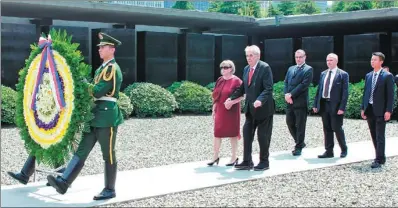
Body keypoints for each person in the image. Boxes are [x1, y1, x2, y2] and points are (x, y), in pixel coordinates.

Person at [47, 32, 124, 200]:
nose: (100, 50)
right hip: (95, 115)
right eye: (100, 47)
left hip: (106, 116)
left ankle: (110, 189)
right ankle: (64, 182)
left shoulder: (111, 69)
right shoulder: (102, 68)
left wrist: (82, 82)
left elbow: (97, 92)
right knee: (82, 149)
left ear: (112, 49)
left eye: (103, 47)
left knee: (108, 154)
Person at [226, 45, 275, 171]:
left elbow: (268, 88)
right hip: (250, 109)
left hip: (264, 109)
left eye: (251, 55)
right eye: (247, 55)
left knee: (263, 136)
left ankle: (264, 162)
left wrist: (260, 100)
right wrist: (231, 98)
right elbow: (243, 88)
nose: (248, 58)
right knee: (247, 135)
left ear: (258, 56)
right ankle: (247, 161)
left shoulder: (265, 67)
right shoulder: (246, 69)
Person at [360, 52, 395, 168]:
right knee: (373, 134)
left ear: (381, 62)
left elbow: (390, 95)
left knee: (380, 135)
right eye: (371, 59)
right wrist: (363, 108)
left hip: (381, 110)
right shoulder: (368, 76)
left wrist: (388, 110)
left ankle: (379, 159)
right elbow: (365, 93)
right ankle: (379, 156)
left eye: (375, 60)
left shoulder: (387, 76)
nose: (372, 61)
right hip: (369, 109)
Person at [207, 60, 243, 167]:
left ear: (231, 69)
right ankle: (215, 156)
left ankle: (234, 157)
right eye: (222, 67)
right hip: (220, 110)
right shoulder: (220, 80)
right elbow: (216, 95)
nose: (223, 69)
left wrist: (232, 102)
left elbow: (243, 95)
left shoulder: (237, 81)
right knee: (217, 133)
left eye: (226, 67)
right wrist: (214, 108)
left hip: (232, 111)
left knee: (233, 133)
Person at [313, 53, 349, 158]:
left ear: (336, 61)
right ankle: (329, 151)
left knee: (337, 127)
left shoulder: (343, 74)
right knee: (327, 128)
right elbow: (319, 90)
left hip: (336, 106)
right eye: (327, 60)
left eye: (331, 60)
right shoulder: (323, 74)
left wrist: (342, 107)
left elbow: (345, 93)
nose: (329, 62)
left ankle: (344, 149)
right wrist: (316, 104)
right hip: (324, 104)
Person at [284, 49, 313, 156]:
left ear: (305, 57)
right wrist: (286, 95)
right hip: (290, 102)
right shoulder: (291, 68)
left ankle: (298, 147)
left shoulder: (308, 69)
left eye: (300, 57)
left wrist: (291, 94)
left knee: (300, 125)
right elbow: (286, 82)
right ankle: (300, 142)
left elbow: (303, 85)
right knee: (289, 122)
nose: (298, 59)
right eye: (296, 57)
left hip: (300, 102)